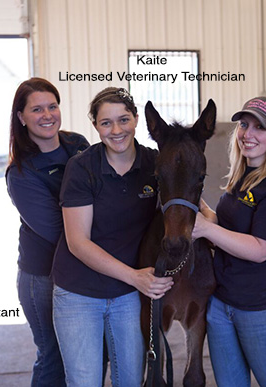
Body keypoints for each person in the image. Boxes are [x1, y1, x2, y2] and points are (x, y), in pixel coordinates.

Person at [52, 87, 174, 386]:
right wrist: (135, 277)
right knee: (85, 381)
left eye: (124, 120)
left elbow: (187, 202)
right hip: (79, 292)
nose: (117, 130)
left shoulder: (155, 163)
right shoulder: (82, 168)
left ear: (135, 120)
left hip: (128, 297)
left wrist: (208, 220)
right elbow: (77, 242)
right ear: (95, 125)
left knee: (131, 380)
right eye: (106, 123)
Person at [192, 96, 266, 387]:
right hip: (221, 304)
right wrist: (195, 207)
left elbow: (260, 249)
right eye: (243, 125)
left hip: (260, 310)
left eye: (259, 127)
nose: (248, 134)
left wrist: (205, 230)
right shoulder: (242, 176)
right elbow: (229, 230)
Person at [6, 77, 90, 387]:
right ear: (21, 117)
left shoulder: (77, 144)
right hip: (43, 277)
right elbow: (62, 233)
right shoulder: (21, 172)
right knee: (53, 357)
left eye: (52, 106)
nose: (47, 115)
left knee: (85, 355)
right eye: (37, 109)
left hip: (82, 269)